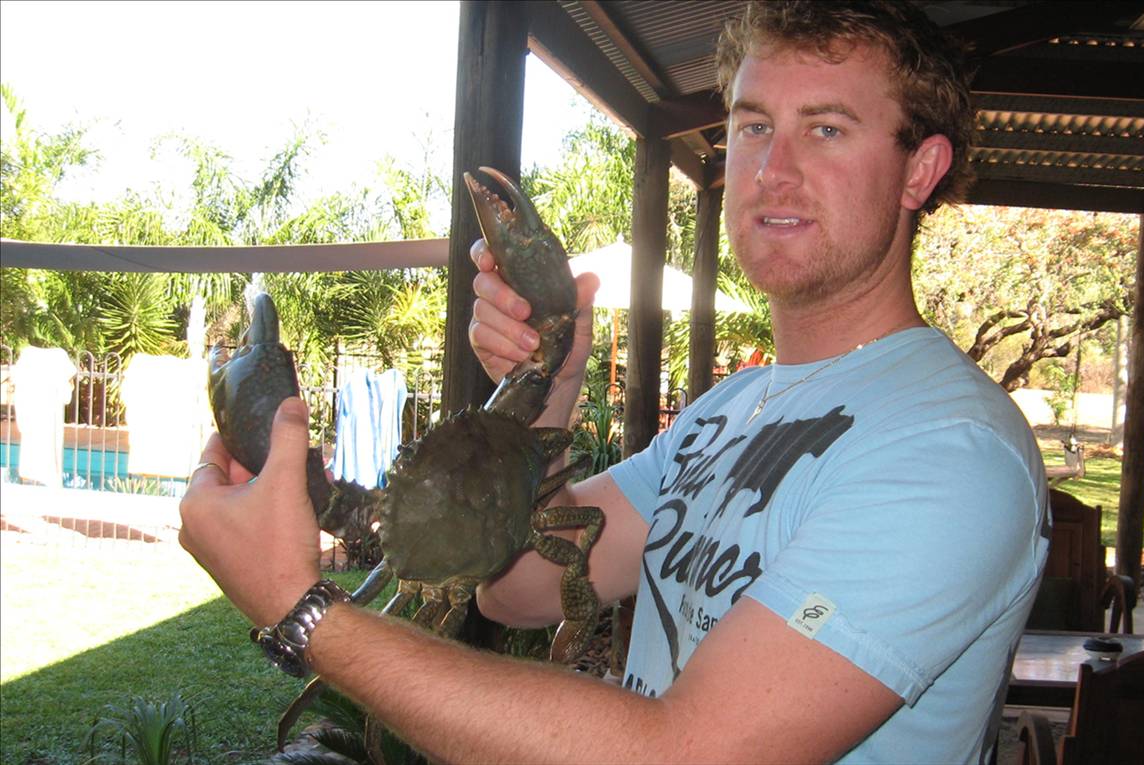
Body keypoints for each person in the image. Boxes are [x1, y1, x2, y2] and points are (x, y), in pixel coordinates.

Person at [179, 2, 1049, 762]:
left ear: (920, 169)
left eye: (826, 129)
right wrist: (548, 392)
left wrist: (304, 612)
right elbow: (517, 587)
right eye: (753, 125)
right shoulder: (729, 411)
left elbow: (689, 752)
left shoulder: (951, 452)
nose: (771, 170)